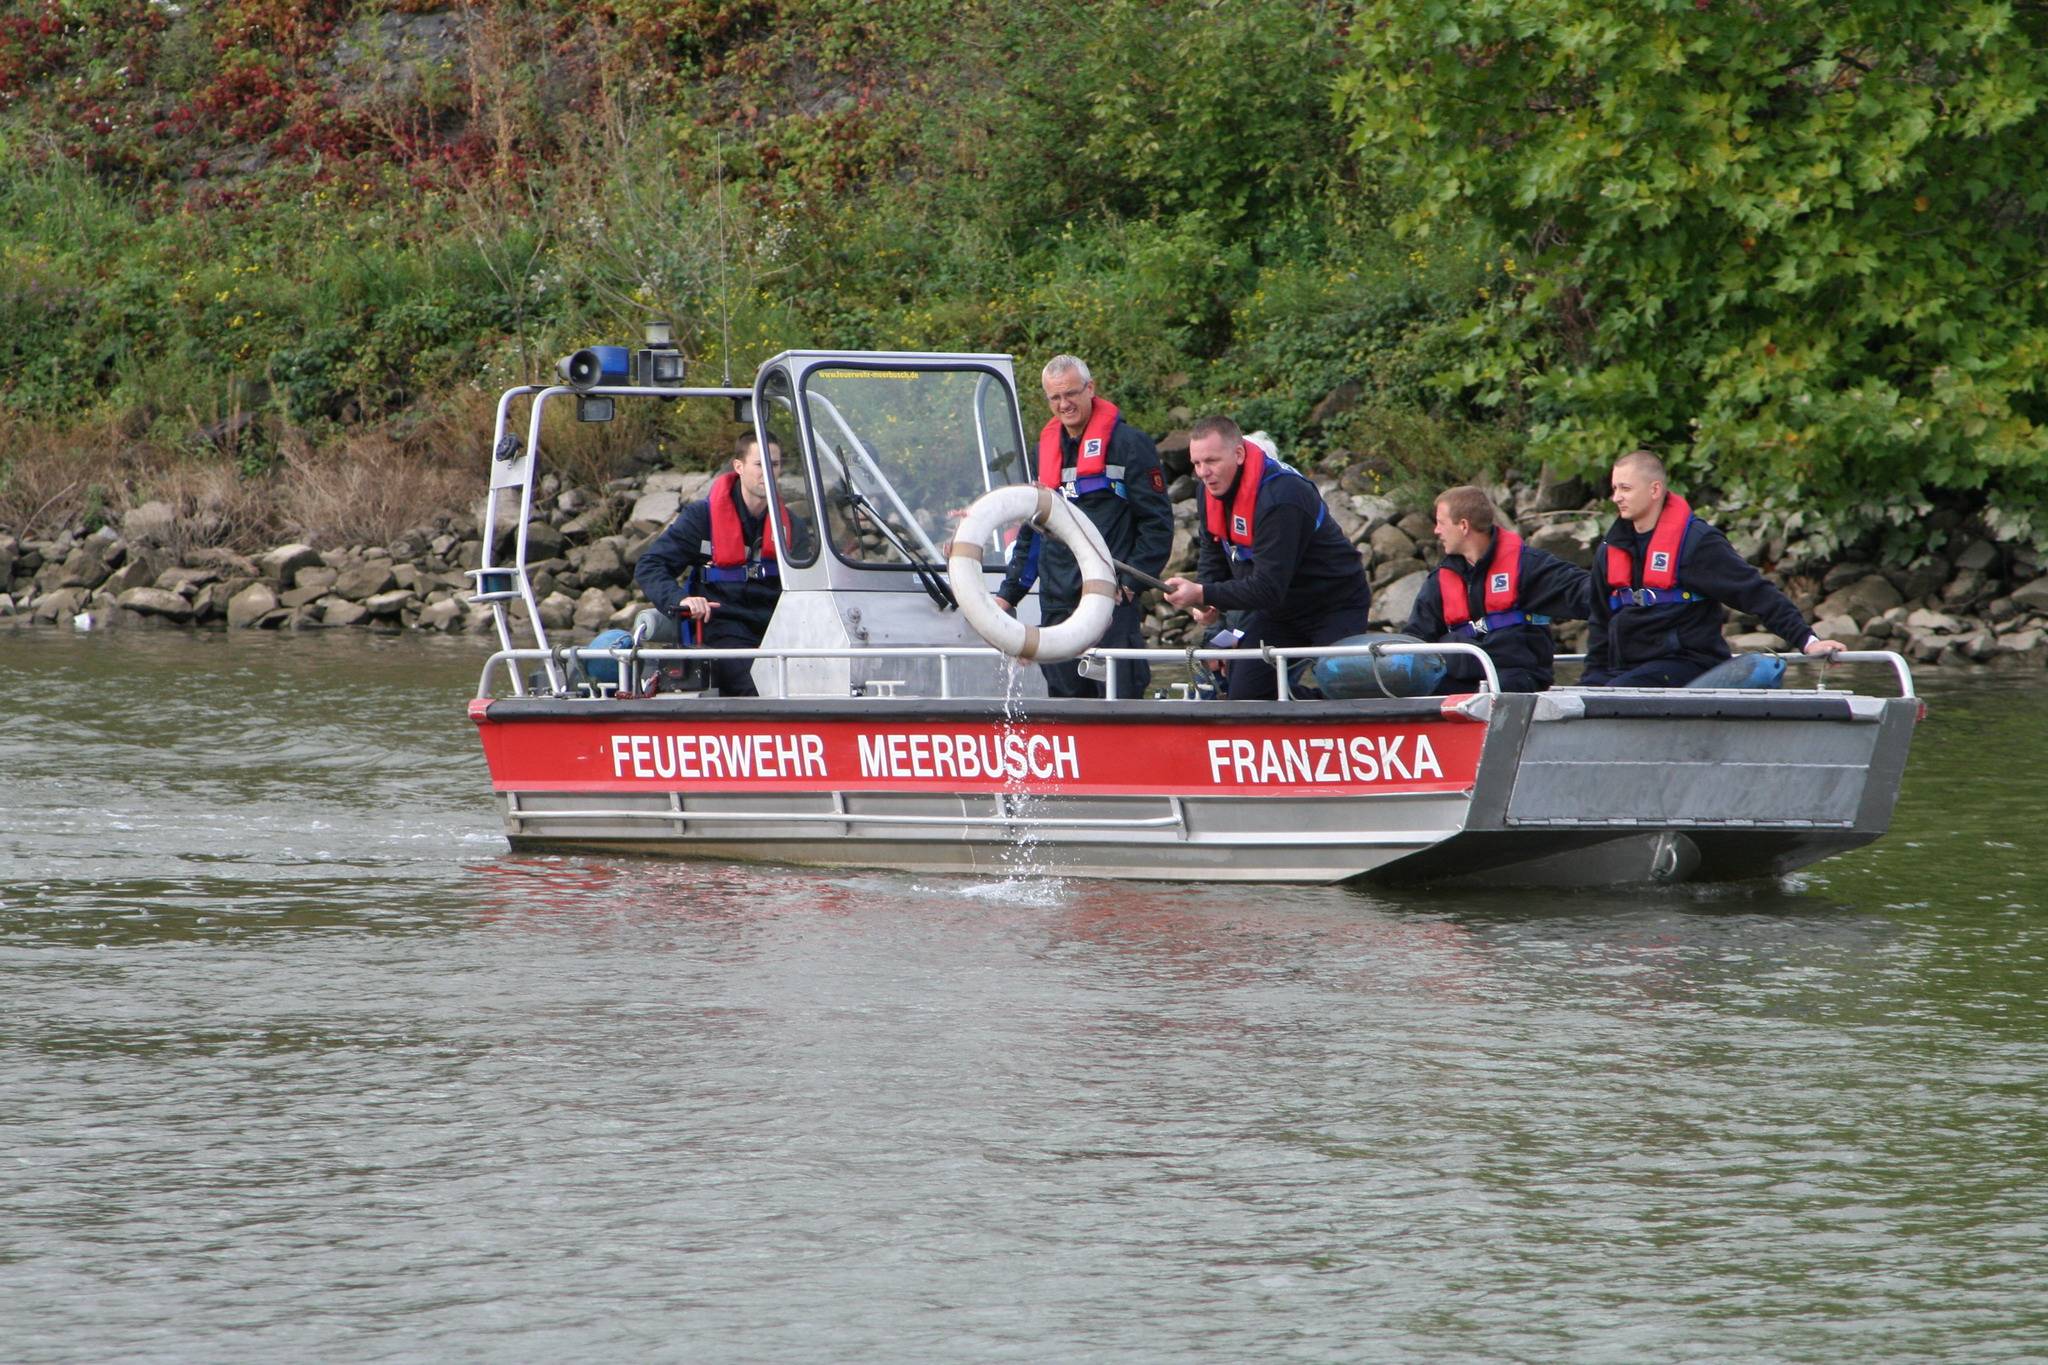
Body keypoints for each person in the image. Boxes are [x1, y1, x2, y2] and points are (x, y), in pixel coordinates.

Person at [995, 355, 1174, 698]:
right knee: (1065, 703)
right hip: (1057, 601)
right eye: (1055, 398)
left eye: (1072, 394)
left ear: (1090, 389)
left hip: (1109, 599)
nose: (1065, 405)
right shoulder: (1042, 452)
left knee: (1120, 701)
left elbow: (1157, 524)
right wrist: (1009, 594)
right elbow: (1033, 531)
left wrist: (1131, 584)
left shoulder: (1130, 445)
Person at [1584, 449, 1842, 687]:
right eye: (1615, 488)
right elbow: (1599, 620)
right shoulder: (1610, 550)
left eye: (1625, 488)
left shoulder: (1697, 544)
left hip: (1686, 663)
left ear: (1654, 490)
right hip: (1627, 668)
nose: (1616, 497)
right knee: (1587, 693)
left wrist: (1808, 642)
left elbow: (1755, 592)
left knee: (1621, 689)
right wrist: (1590, 681)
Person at [1162, 417, 1372, 700]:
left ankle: (1319, 710)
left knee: (1342, 689)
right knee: (1245, 696)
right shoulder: (1207, 489)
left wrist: (1203, 591)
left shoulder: (1282, 498)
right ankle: (1288, 715)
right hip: (1278, 611)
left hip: (1333, 604)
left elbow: (1268, 587)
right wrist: (1207, 597)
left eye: (1211, 461)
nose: (1204, 472)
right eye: (1196, 464)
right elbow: (1213, 550)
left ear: (1238, 454)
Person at [633, 433, 789, 696]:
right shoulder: (701, 518)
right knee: (762, 686)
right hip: (722, 632)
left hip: (779, 631)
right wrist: (681, 599)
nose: (768, 473)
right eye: (760, 465)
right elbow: (650, 565)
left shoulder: (790, 525)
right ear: (738, 467)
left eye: (774, 465)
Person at [1405, 484, 1591, 692]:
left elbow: (1586, 593)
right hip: (1459, 680)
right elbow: (1416, 638)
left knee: (1498, 689)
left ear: (1463, 526)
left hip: (1514, 679)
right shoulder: (1440, 579)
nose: (1436, 531)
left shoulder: (1527, 566)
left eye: (1441, 523)